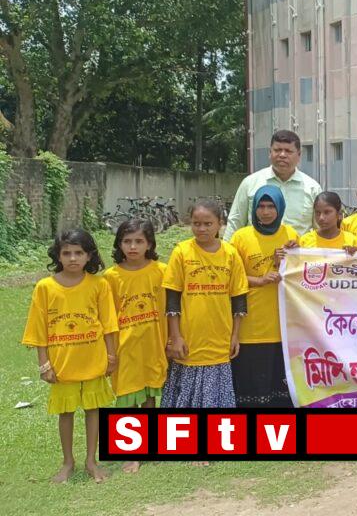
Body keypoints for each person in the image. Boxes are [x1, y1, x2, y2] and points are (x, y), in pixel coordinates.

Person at [23, 229, 118, 483]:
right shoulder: (45, 287)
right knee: (65, 412)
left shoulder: (99, 285)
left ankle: (91, 461)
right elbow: (38, 329)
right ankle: (68, 462)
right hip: (62, 364)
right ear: (58, 256)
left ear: (89, 256)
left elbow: (109, 324)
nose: (73, 258)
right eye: (67, 253)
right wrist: (44, 364)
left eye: (79, 253)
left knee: (93, 409)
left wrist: (111, 356)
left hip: (93, 359)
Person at [163, 199, 248, 412]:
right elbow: (172, 298)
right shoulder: (182, 252)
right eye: (196, 223)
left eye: (208, 224)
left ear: (220, 223)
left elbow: (239, 299)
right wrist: (175, 337)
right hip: (189, 341)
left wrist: (235, 336)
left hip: (219, 340)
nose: (201, 229)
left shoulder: (230, 254)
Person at [104, 219, 167, 474]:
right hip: (125, 348)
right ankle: (131, 453)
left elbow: (172, 308)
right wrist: (109, 352)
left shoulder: (161, 271)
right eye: (127, 241)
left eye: (139, 241)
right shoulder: (111, 277)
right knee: (127, 398)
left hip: (153, 343)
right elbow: (107, 318)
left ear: (149, 244)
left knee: (149, 397)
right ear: (119, 244)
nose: (133, 247)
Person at [229, 186, 299, 408]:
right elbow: (230, 276)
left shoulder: (291, 235)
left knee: (281, 398)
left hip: (283, 329)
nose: (266, 212)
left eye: (271, 206)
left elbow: (301, 275)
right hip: (250, 327)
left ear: (280, 208)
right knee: (250, 396)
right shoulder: (241, 237)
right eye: (260, 206)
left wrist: (288, 260)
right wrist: (259, 280)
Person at [225, 129, 322, 240]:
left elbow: (320, 229)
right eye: (277, 150)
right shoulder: (250, 183)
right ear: (270, 153)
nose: (282, 155)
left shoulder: (312, 188)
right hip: (256, 250)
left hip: (296, 250)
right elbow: (235, 221)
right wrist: (226, 249)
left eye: (288, 151)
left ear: (299, 155)